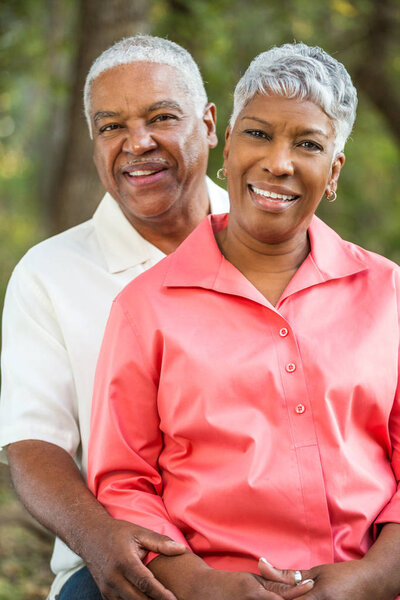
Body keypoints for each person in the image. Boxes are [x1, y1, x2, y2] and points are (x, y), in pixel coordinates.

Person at [88, 42, 400, 600]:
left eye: (307, 144)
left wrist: (371, 579)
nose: (278, 162)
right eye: (258, 134)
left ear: (333, 171)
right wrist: (204, 586)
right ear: (226, 147)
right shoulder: (145, 307)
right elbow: (124, 483)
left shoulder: (388, 293)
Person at [0, 35, 229, 600]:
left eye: (161, 117)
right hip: (126, 565)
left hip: (276, 550)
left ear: (209, 124)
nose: (138, 143)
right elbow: (34, 443)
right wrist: (99, 538)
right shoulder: (48, 273)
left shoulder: (279, 248)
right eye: (111, 127)